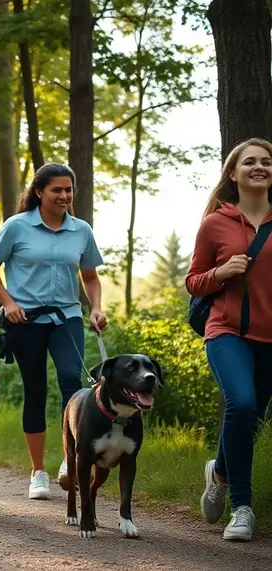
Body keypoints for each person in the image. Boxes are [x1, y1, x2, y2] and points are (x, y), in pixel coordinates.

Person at [0, 163, 107, 500]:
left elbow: (90, 276)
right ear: (39, 191)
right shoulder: (16, 227)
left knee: (72, 381)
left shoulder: (81, 230)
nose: (65, 196)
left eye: (69, 190)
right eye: (57, 190)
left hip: (66, 317)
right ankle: (37, 472)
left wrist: (95, 307)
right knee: (35, 390)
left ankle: (71, 460)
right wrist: (7, 302)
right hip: (25, 320)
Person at [186, 137, 272, 542]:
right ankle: (242, 507)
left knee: (251, 418)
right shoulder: (215, 223)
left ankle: (218, 470)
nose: (260, 167)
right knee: (241, 402)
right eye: (250, 162)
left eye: (267, 162)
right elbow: (193, 282)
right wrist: (220, 274)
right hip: (227, 331)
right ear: (233, 174)